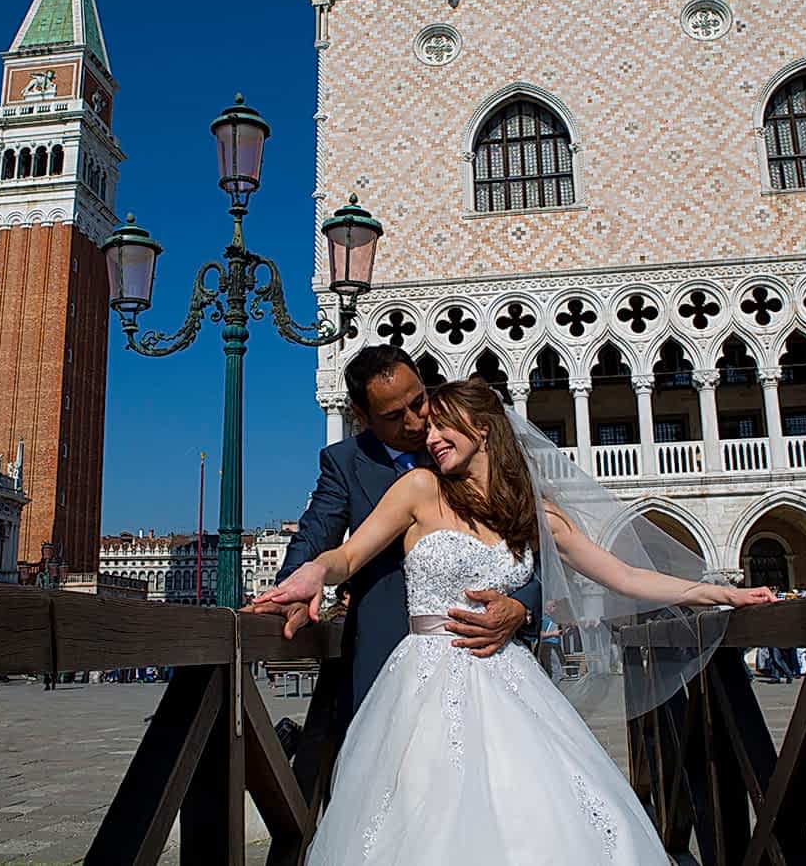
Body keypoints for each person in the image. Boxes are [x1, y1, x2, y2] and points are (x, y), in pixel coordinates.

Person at [253, 378, 774, 864]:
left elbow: (624, 576)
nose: (428, 437)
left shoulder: (534, 514)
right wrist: (312, 574)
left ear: (482, 428)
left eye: (441, 424)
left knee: (532, 807)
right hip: (422, 684)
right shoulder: (417, 489)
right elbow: (348, 557)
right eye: (427, 427)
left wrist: (715, 591)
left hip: (509, 680)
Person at [245, 347, 540, 722]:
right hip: (386, 650)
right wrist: (289, 590)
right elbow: (317, 532)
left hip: (487, 655)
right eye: (394, 416)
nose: (417, 423)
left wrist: (522, 605)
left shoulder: (462, 445)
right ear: (361, 416)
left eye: (419, 401)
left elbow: (530, 538)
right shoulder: (345, 463)